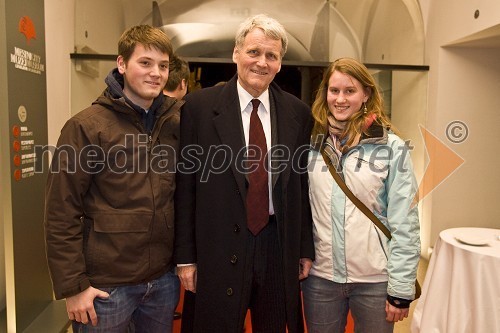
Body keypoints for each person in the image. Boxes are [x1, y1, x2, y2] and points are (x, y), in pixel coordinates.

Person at [174, 14, 314, 333]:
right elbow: (186, 189)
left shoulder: (298, 114)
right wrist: (186, 258)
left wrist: (304, 247)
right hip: (217, 249)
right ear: (236, 53)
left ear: (280, 64)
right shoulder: (198, 109)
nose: (261, 62)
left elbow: (301, 188)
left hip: (277, 250)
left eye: (271, 56)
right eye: (253, 52)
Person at [44, 25, 183, 333]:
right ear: (122, 65)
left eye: (163, 65)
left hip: (162, 283)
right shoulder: (86, 126)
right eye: (145, 63)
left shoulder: (175, 123)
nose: (156, 73)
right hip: (105, 289)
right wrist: (74, 286)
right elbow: (60, 212)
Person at [302, 57, 420, 333]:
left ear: (366, 94)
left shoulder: (391, 147)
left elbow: (406, 221)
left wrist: (401, 287)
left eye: (350, 91)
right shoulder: (310, 143)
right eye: (334, 91)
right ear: (325, 94)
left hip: (375, 281)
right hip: (321, 278)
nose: (340, 99)